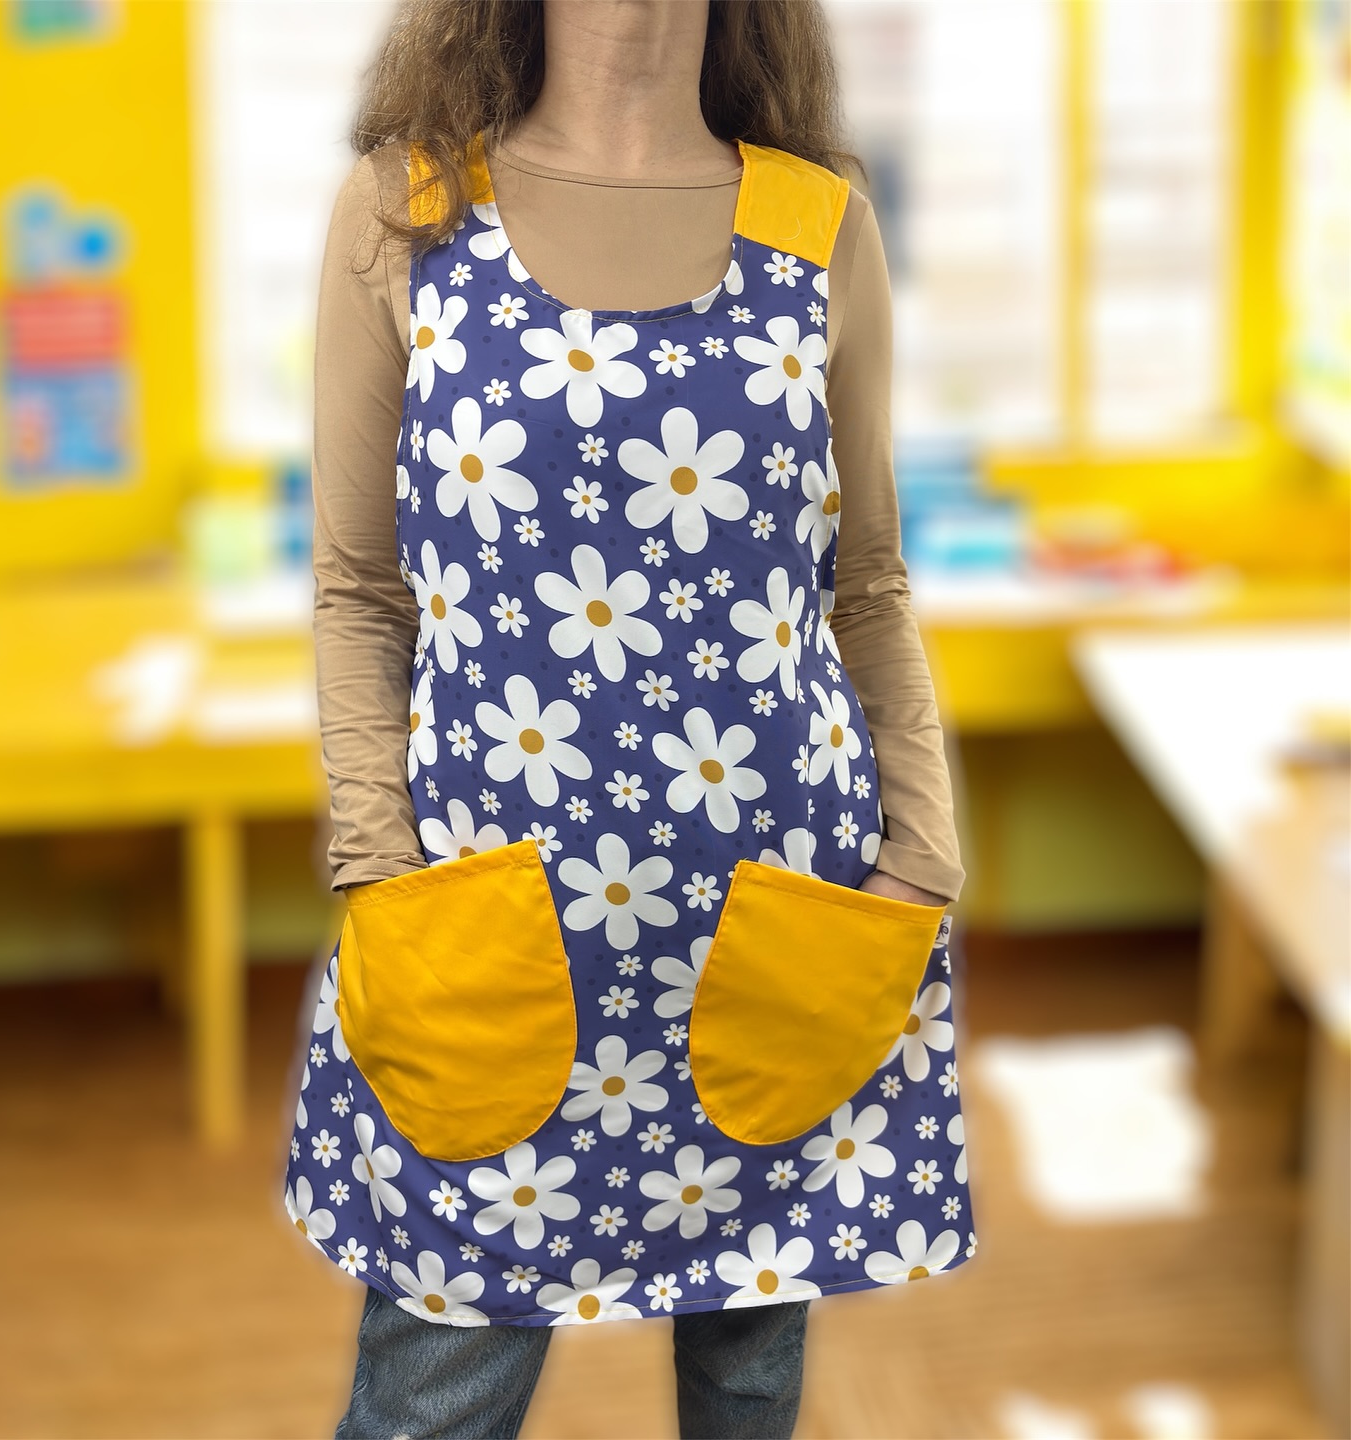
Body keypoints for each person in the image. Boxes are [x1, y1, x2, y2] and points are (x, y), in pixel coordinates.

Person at [285, 2, 976, 1435]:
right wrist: (377, 867)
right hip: (489, 926)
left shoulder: (816, 226)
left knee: (748, 1387)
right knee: (431, 1403)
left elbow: (865, 583)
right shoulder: (407, 211)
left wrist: (922, 854)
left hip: (780, 911)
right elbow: (359, 589)